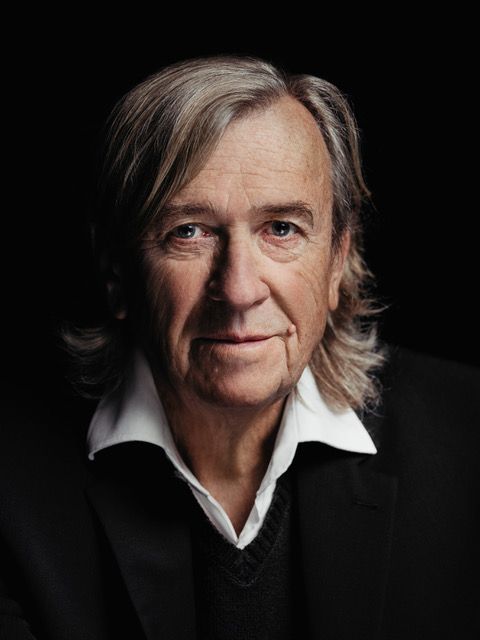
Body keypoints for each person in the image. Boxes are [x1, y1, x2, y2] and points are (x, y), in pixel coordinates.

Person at [0, 55, 478, 640]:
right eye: (189, 232)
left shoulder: (468, 442)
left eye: (281, 228)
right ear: (116, 271)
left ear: (336, 261)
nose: (239, 290)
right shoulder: (12, 483)